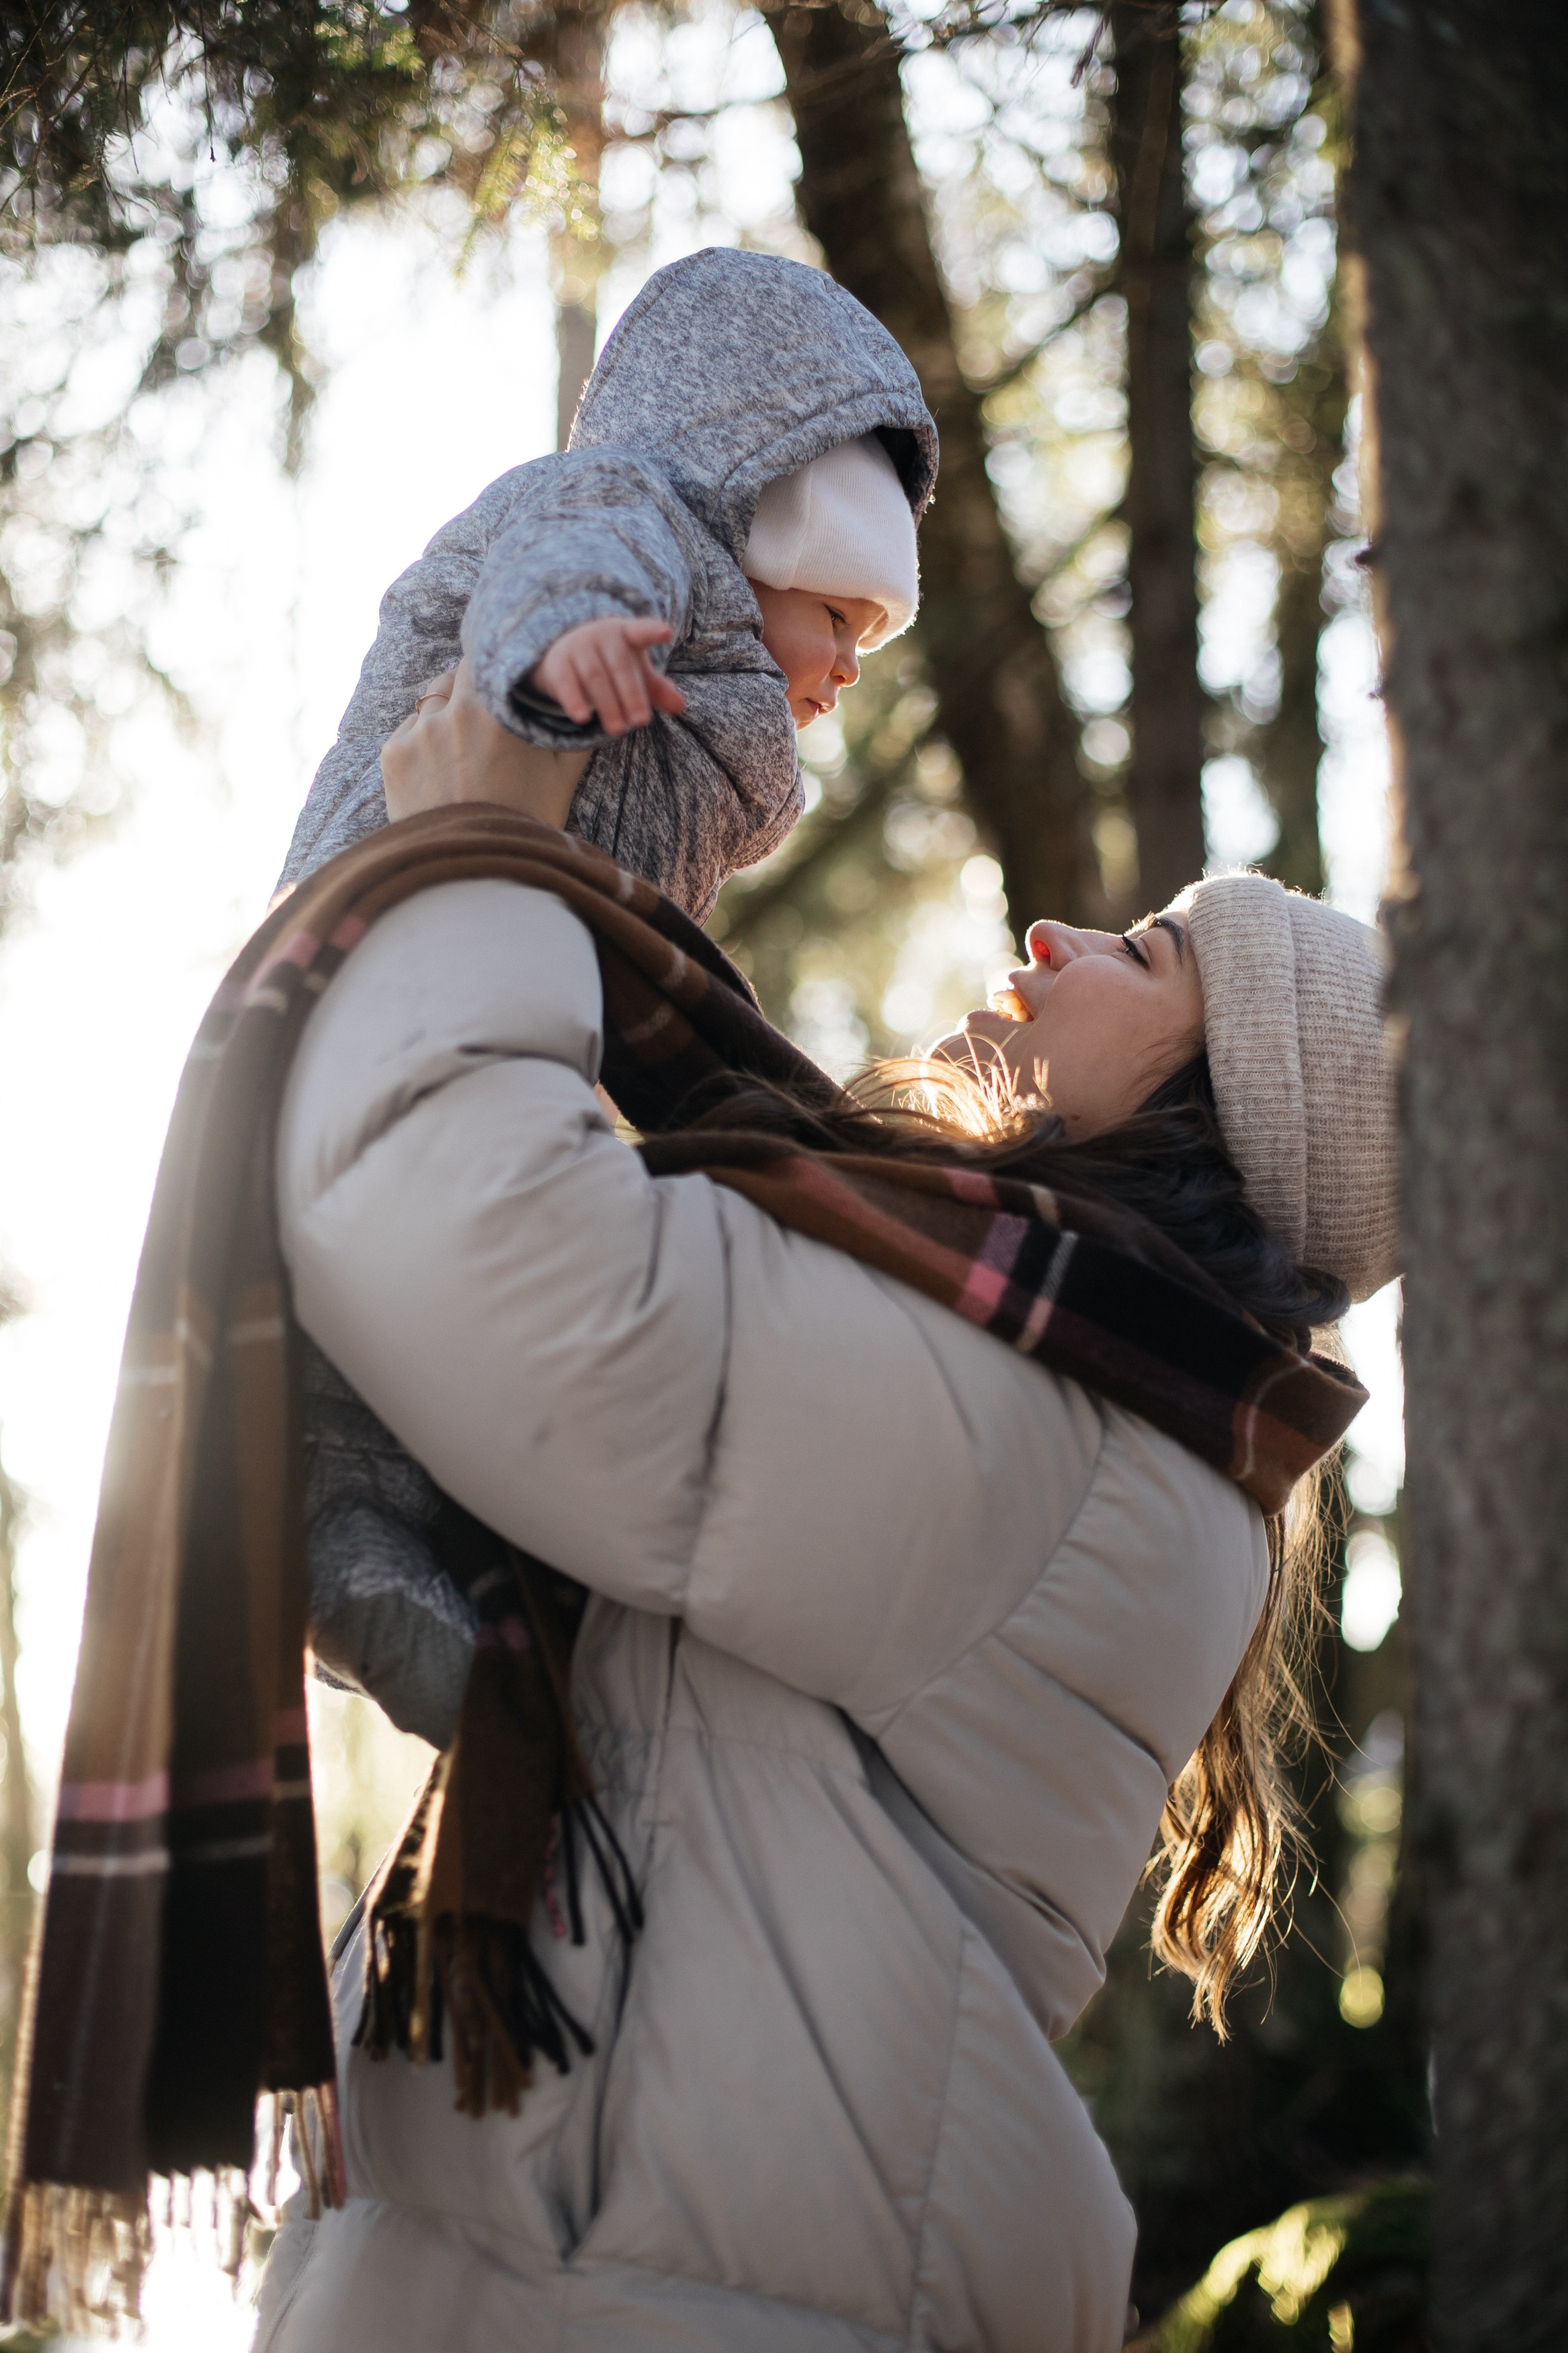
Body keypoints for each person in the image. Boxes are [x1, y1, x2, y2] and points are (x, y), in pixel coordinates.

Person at [253, 701, 1395, 2350]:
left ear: (1220, 1109)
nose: (1055, 936)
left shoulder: (1062, 1435)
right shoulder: (1091, 1392)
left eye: (1144, 960)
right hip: (671, 2236)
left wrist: (486, 872)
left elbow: (505, 1258)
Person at [282, 245, 936, 1749]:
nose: (849, 663)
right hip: (378, 944)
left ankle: (399, 1551)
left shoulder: (711, 684)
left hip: (475, 999)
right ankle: (342, 1529)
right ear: (767, 518)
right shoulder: (629, 524)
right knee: (360, 1284)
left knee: (428, 1306)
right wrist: (553, 664)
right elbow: (560, 570)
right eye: (843, 614)